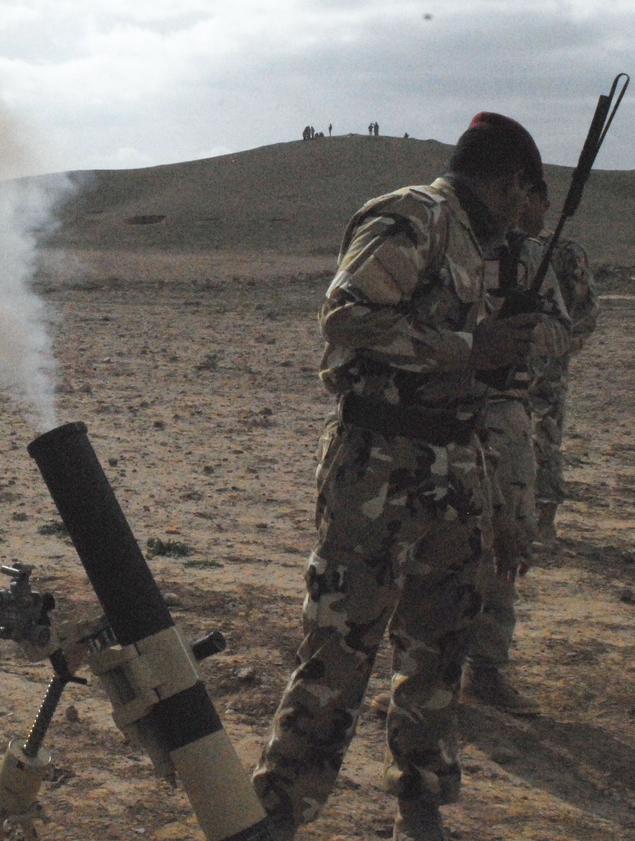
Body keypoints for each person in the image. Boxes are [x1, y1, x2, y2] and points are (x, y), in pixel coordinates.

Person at [252, 112, 548, 841]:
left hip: (454, 462)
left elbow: (479, 365)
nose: (523, 208)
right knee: (341, 642)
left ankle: (419, 802)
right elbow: (345, 319)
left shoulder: (486, 247)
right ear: (507, 179)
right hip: (378, 464)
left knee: (440, 643)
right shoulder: (414, 216)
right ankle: (279, 809)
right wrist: (463, 350)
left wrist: (493, 360)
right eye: (523, 192)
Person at [461, 182, 571, 714]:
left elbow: (560, 335)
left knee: (508, 542)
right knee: (430, 539)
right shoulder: (443, 242)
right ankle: (416, 674)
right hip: (437, 404)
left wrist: (521, 332)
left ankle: (485, 667)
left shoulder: (528, 259)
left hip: (504, 411)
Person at [526, 198, 601, 542]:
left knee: (544, 437)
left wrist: (563, 347)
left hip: (546, 368)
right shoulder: (494, 246)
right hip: (498, 360)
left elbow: (587, 310)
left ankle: (544, 519)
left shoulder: (565, 253)